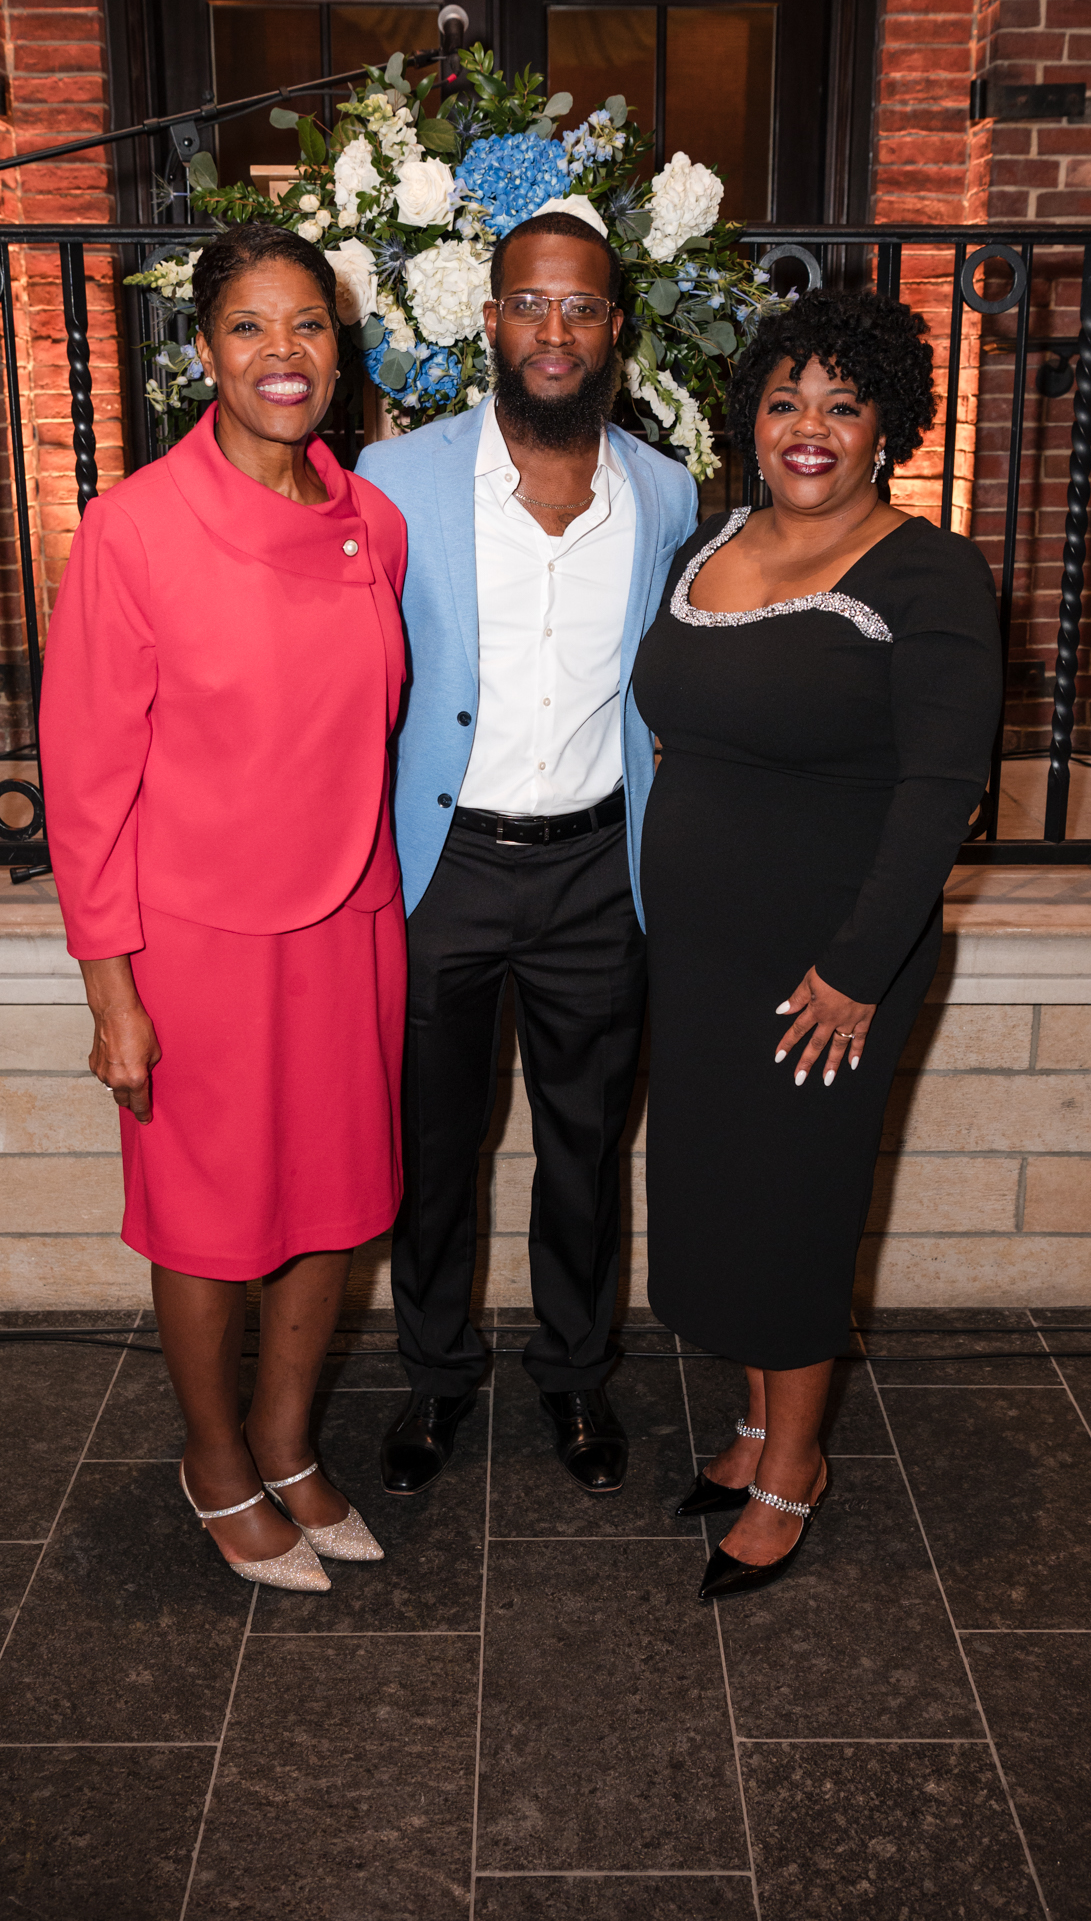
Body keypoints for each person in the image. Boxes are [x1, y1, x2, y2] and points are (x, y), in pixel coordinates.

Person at [40, 224, 408, 1592]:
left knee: (335, 1202)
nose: (282, 353)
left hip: (353, 920)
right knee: (208, 1218)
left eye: (307, 324)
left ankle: (290, 1446)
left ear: (339, 350)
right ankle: (214, 1462)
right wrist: (113, 995)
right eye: (250, 326)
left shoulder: (376, 524)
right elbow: (86, 783)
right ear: (204, 353)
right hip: (193, 943)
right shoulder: (134, 529)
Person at [631, 288, 1002, 1599]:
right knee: (723, 1194)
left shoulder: (928, 572)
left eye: (844, 406)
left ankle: (793, 1470)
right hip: (700, 953)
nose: (810, 428)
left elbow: (941, 792)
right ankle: (751, 1426)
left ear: (886, 426)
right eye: (787, 400)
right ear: (752, 416)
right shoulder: (712, 541)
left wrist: (855, 969)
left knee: (792, 1208)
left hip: (828, 963)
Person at [356, 209, 697, 1499]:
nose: (556, 331)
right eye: (531, 304)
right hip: (442, 868)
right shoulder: (398, 480)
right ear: (491, 319)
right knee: (432, 1149)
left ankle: (575, 1374)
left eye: (583, 307)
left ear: (616, 328)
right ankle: (436, 1374)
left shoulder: (663, 493)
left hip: (599, 874)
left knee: (586, 1149)